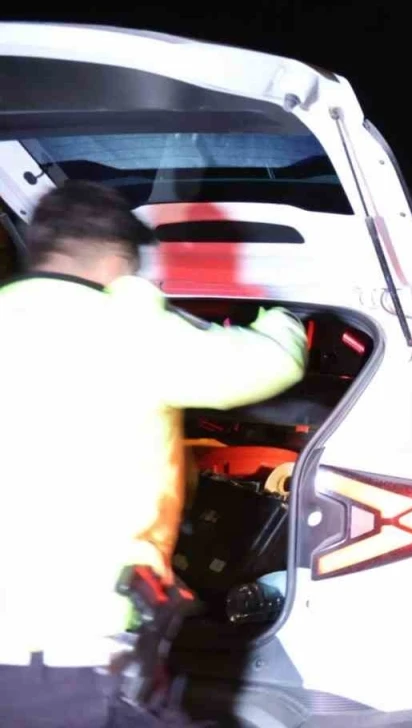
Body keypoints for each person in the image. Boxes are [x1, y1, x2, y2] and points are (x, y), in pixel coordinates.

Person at [0, 181, 308, 725]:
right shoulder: (126, 327)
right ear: (120, 260)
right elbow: (274, 362)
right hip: (72, 645)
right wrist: (283, 314)